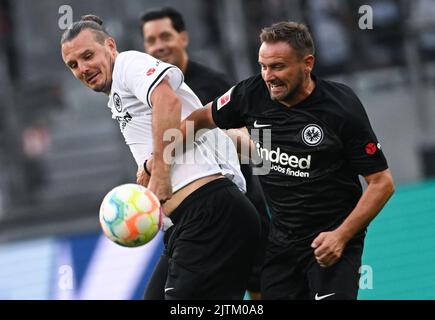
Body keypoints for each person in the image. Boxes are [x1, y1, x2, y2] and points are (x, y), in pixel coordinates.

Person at [169, 21, 395, 300]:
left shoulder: (341, 107)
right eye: (262, 66)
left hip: (332, 242)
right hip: (283, 243)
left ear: (307, 63)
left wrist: (341, 235)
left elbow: (382, 183)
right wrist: (157, 162)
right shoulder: (250, 94)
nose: (268, 76)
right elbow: (198, 120)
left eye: (277, 67)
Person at [60, 15, 260, 300]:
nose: (83, 69)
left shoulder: (128, 63)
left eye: (88, 56)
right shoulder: (118, 92)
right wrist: (150, 165)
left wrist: (162, 174)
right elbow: (194, 129)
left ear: (110, 46)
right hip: (195, 220)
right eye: (73, 65)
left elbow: (167, 100)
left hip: (210, 213)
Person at [139, 6, 270, 300]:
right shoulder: (148, 92)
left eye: (165, 36)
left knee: (260, 289)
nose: (159, 46)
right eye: (150, 40)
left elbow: (259, 142)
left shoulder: (212, 85)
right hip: (189, 222)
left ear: (183, 38)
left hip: (236, 206)